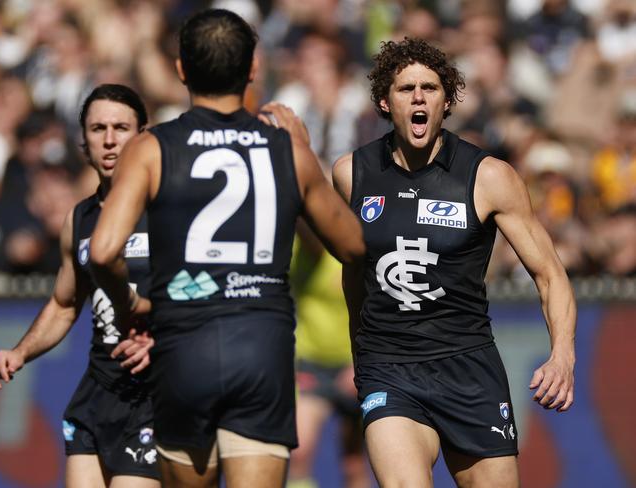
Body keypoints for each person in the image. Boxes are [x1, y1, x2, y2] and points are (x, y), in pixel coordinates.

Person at [87, 9, 364, 488]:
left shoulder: (151, 148)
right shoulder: (287, 150)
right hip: (261, 351)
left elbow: (103, 251)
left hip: (182, 349)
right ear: (253, 69)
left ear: (180, 70)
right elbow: (355, 245)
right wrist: (305, 155)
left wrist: (131, 306)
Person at [332, 38, 577, 487]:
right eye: (406, 89)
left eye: (430, 88)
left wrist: (562, 357)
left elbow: (550, 274)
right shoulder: (352, 173)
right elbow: (354, 272)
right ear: (386, 102)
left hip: (469, 368)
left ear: (448, 101)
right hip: (390, 367)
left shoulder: (489, 177)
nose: (419, 98)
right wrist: (359, 350)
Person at [0, 84, 160, 488]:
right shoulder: (78, 220)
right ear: (83, 141)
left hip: (157, 392)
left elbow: (209, 292)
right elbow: (65, 305)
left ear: (144, 137)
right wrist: (20, 352)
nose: (111, 140)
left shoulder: (171, 211)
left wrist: (164, 335)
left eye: (122, 127)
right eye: (98, 128)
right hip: (99, 390)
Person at [288, 226, 371, 488]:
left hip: (354, 366)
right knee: (299, 452)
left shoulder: (357, 253)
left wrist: (358, 362)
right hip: (310, 365)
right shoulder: (296, 252)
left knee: (354, 462)